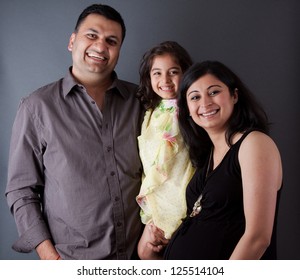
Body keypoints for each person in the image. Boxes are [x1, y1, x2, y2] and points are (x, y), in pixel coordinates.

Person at [5, 4, 144, 260]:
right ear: (72, 41)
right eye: (92, 36)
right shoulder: (37, 107)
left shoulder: (142, 101)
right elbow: (21, 191)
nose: (101, 47)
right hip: (71, 263)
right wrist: (50, 258)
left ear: (119, 51)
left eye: (111, 41)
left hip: (141, 259)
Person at [164, 60, 283, 260]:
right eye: (195, 97)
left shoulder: (254, 143)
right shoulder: (207, 155)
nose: (205, 103)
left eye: (214, 92)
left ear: (234, 95)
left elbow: (258, 238)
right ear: (188, 110)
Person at [135, 41, 195, 259]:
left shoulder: (192, 110)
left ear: (186, 73)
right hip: (155, 208)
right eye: (157, 73)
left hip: (183, 201)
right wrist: (152, 218)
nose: (165, 80)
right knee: (147, 255)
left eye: (173, 72)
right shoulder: (151, 112)